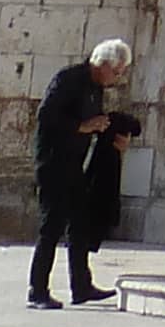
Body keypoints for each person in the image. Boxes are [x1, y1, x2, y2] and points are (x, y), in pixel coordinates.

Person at [28, 36, 133, 310]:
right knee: (51, 227)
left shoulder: (95, 88)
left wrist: (112, 135)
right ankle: (37, 289)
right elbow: (46, 116)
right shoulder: (68, 79)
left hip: (75, 164)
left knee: (80, 224)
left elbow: (95, 122)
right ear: (103, 64)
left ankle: (81, 285)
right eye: (117, 71)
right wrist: (82, 126)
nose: (117, 78)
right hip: (52, 163)